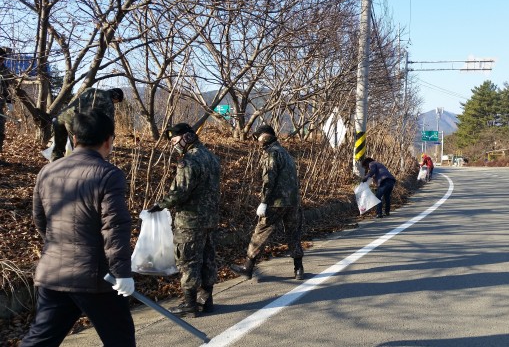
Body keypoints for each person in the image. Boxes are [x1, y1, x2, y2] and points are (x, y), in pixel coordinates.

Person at [21, 110, 135, 347]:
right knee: (120, 340)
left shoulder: (49, 170)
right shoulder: (108, 174)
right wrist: (122, 272)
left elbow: (40, 220)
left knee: (39, 340)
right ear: (109, 140)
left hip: (53, 272)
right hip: (96, 278)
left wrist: (59, 248)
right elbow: (114, 227)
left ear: (74, 138)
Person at [148, 123, 220, 318]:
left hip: (190, 220)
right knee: (207, 258)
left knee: (187, 260)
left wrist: (160, 205)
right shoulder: (212, 158)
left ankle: (190, 304)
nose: (174, 145)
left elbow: (180, 192)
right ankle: (206, 300)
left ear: (187, 137)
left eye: (175, 140)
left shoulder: (189, 160)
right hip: (210, 218)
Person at [230, 124, 305, 280]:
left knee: (261, 232)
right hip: (293, 201)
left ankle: (248, 267)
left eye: (258, 137)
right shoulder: (285, 153)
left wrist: (264, 202)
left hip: (276, 202)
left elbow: (268, 180)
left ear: (265, 136)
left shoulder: (271, 154)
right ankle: (298, 269)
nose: (257, 140)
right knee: (293, 233)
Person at [51, 87, 124, 161]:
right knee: (79, 149)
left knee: (58, 148)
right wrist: (110, 138)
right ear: (115, 96)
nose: (115, 103)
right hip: (74, 120)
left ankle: (53, 167)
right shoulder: (108, 101)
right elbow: (109, 123)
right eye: (116, 101)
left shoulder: (91, 90)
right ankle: (77, 168)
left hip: (60, 116)